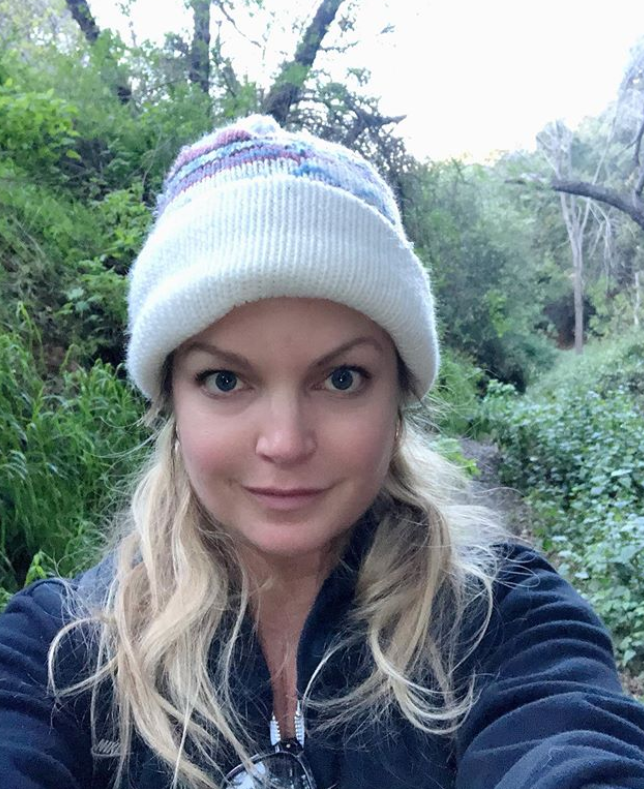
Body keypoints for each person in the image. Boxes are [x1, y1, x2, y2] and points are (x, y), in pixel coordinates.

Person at [1, 114, 643, 789]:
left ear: (399, 398)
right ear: (171, 402)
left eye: (341, 378)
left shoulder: (507, 620)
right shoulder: (57, 652)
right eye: (225, 380)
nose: (284, 442)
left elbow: (572, 745)